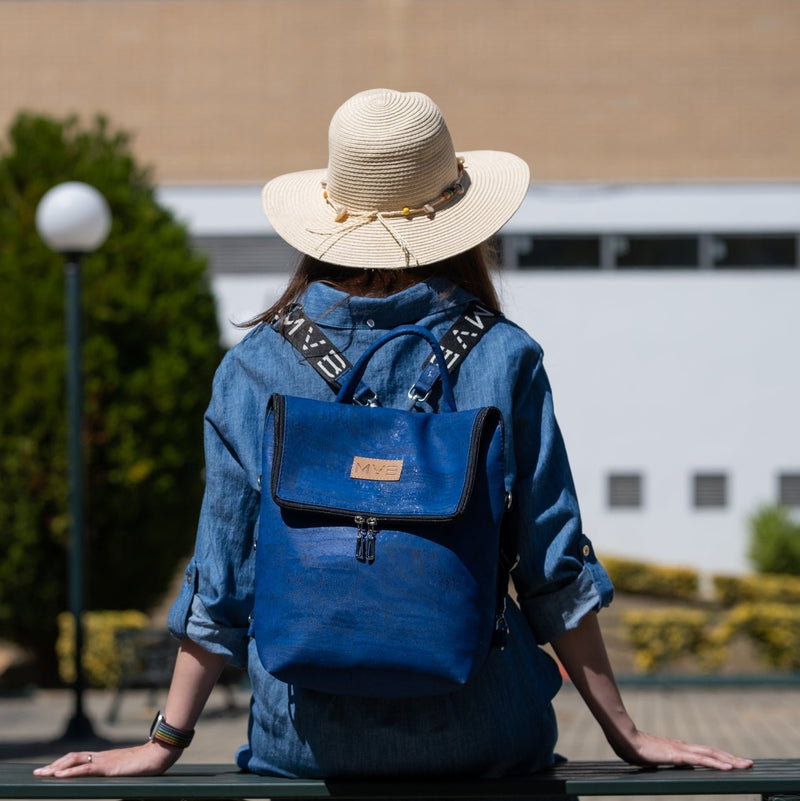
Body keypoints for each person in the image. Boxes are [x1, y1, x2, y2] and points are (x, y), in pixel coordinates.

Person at [35, 88, 752, 779]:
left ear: (329, 214)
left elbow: (221, 580)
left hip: (306, 743)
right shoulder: (504, 355)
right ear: (459, 220)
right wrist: (625, 733)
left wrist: (164, 740)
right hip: (485, 738)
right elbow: (553, 567)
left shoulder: (256, 367)